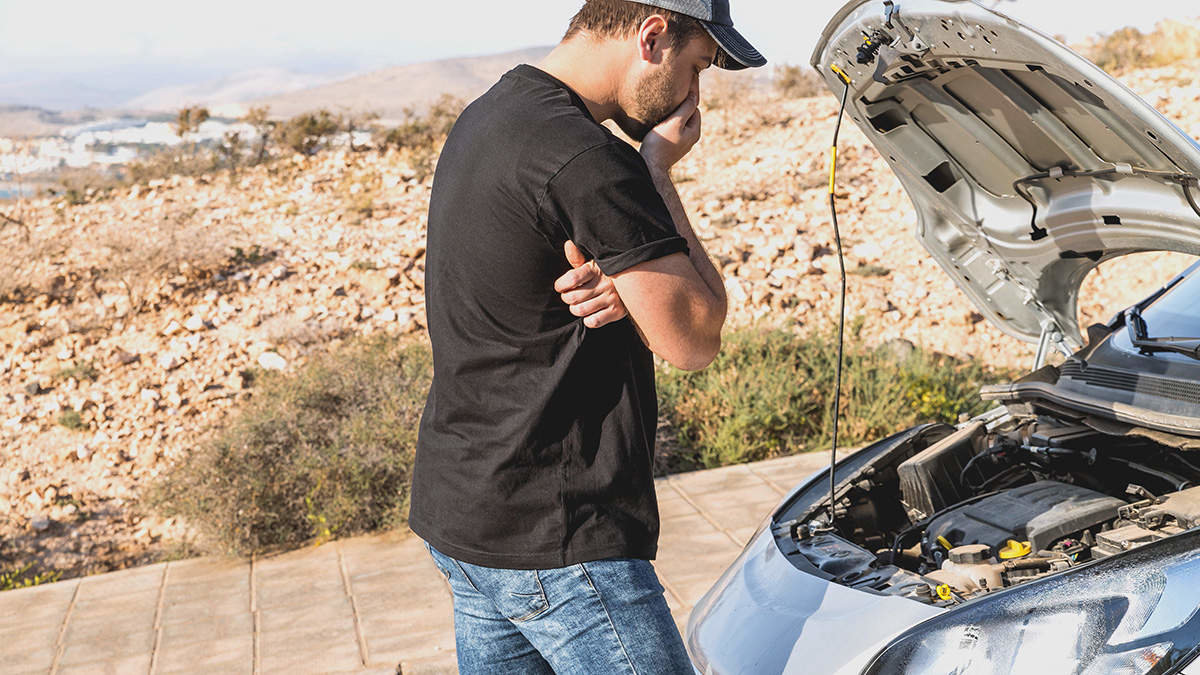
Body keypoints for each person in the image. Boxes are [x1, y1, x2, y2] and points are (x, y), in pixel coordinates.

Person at [407, 0, 765, 671]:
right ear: (652, 36)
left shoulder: (492, 115)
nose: (694, 96)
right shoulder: (590, 158)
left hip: (465, 515)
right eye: (697, 68)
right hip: (560, 538)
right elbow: (695, 336)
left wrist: (627, 289)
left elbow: (526, 278)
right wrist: (655, 172)